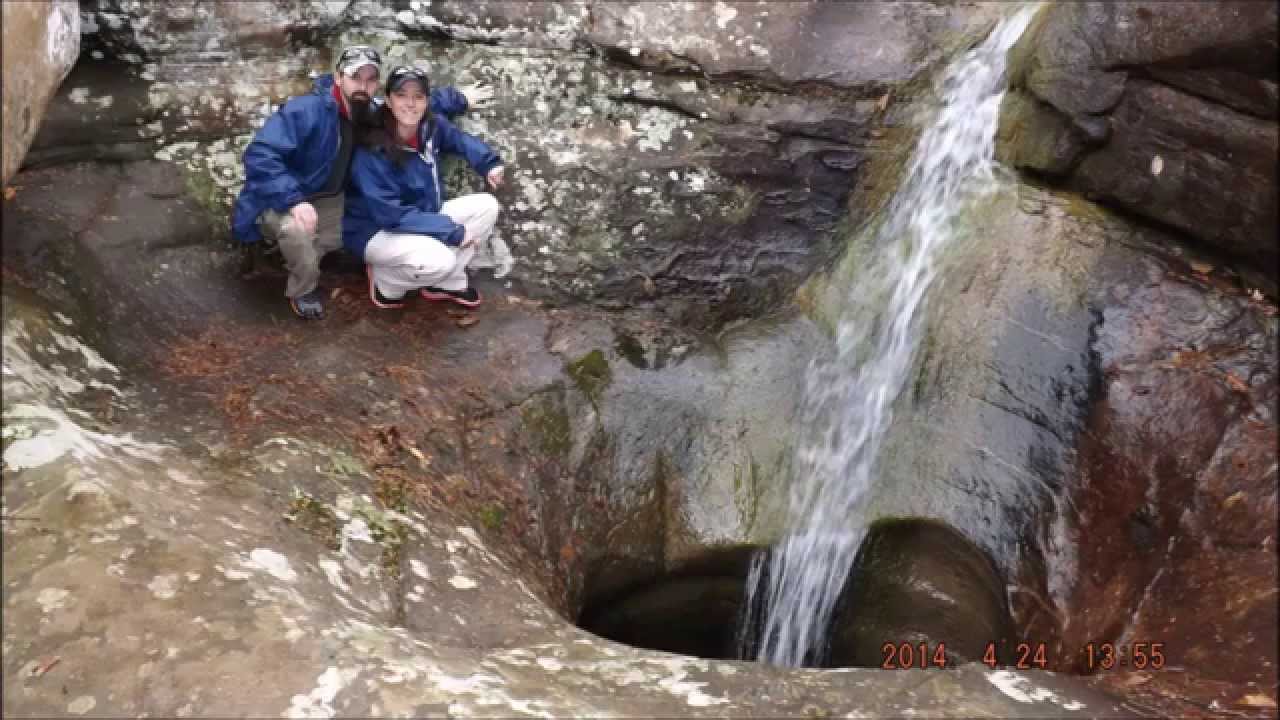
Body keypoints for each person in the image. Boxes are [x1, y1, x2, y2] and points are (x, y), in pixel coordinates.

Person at [230, 46, 489, 319]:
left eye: (370, 79)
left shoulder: (368, 109)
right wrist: (293, 201)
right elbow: (260, 154)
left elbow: (409, 107)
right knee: (297, 231)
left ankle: (376, 268)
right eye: (356, 78)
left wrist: (458, 99)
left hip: (332, 199)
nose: (363, 86)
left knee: (361, 225)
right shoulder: (306, 110)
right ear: (339, 77)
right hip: (283, 198)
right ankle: (302, 288)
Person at [344, 65, 505, 310]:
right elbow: (390, 214)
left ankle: (446, 283)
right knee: (440, 259)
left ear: (427, 101)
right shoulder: (372, 148)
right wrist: (452, 231)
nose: (411, 104)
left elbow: (459, 140)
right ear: (387, 100)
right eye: (401, 95)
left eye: (418, 97)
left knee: (486, 206)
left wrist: (489, 163)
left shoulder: (430, 127)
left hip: (417, 217)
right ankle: (387, 283)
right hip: (375, 230)